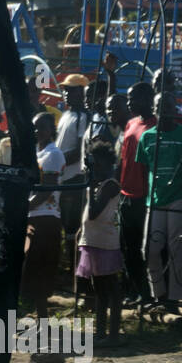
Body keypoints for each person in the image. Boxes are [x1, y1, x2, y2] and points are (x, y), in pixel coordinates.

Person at [137, 92, 182, 314]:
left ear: (174, 108)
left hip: (180, 197)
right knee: (149, 249)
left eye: (168, 106)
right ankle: (158, 294)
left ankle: (174, 299)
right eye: (160, 106)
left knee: (177, 249)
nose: (164, 110)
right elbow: (143, 169)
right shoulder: (147, 136)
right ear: (154, 108)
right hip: (155, 199)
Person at [77, 141, 124, 346]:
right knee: (100, 291)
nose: (95, 169)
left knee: (111, 290)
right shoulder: (98, 184)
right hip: (93, 241)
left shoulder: (110, 185)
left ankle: (112, 335)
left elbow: (95, 212)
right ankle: (101, 333)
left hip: (105, 243)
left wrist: (89, 183)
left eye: (98, 165)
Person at [20, 113, 65, 319]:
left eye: (42, 127)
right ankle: (38, 317)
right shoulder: (35, 153)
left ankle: (43, 321)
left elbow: (47, 189)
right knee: (31, 272)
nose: (38, 131)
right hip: (33, 216)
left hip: (46, 218)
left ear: (51, 129)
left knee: (39, 272)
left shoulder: (53, 154)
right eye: (35, 127)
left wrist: (22, 208)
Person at [116, 82, 156, 307]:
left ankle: (148, 293)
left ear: (148, 99)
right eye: (128, 98)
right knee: (126, 248)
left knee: (143, 249)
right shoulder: (131, 123)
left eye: (134, 98)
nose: (129, 103)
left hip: (144, 196)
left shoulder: (155, 125)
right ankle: (134, 291)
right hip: (125, 193)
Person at [56, 74, 92, 256]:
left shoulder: (83, 117)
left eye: (71, 90)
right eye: (66, 90)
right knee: (62, 219)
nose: (67, 94)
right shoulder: (66, 114)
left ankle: (73, 265)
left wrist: (58, 163)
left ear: (81, 92)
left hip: (73, 177)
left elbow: (80, 150)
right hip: (60, 176)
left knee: (72, 224)